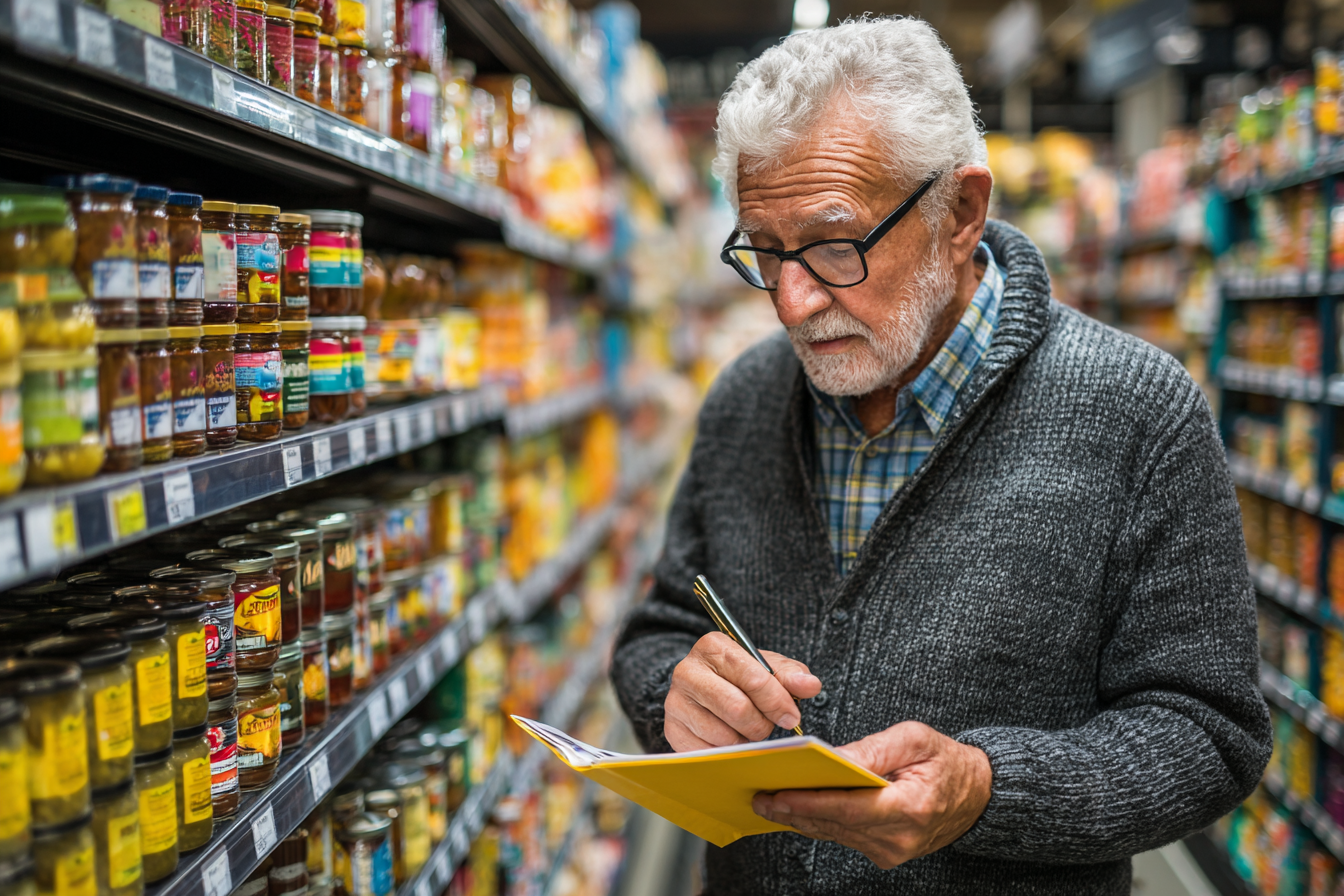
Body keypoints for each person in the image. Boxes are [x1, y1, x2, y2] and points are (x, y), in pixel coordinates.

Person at [608, 15, 1271, 896]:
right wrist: (673, 694)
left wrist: (988, 791)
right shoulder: (745, 400)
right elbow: (661, 628)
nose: (795, 304)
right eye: (764, 253)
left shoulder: (1137, 413)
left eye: (836, 246)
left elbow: (1210, 731)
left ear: (960, 211)